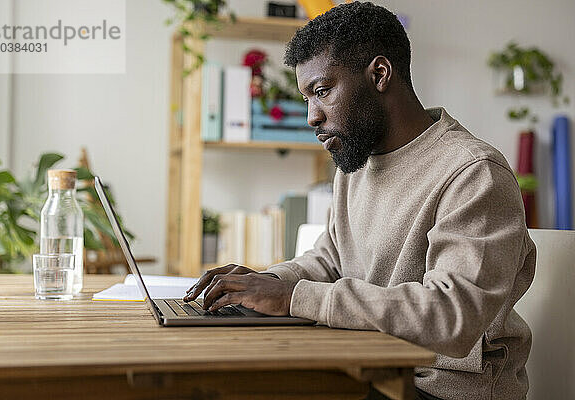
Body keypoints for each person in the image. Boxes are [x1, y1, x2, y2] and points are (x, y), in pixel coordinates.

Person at [184, 2, 535, 399]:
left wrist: (293, 298)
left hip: (441, 390)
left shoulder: (473, 173)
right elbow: (329, 261)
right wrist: (266, 283)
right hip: (369, 367)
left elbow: (452, 317)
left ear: (380, 74)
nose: (311, 116)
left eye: (321, 91)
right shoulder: (358, 164)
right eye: (306, 99)